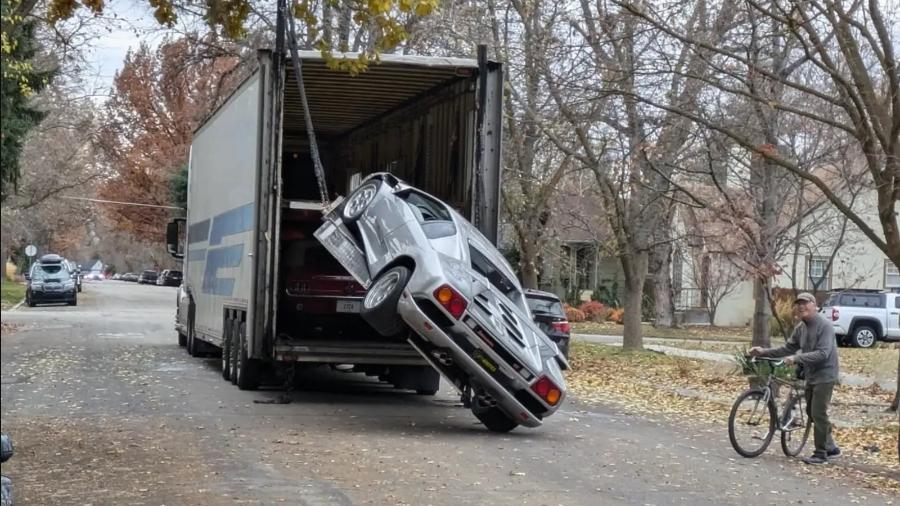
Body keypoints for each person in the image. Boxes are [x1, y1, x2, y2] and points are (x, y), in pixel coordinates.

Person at [749, 292, 841, 465]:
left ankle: (821, 454)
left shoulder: (825, 326)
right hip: (811, 374)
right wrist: (764, 351)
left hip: (826, 374)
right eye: (798, 304)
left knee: (818, 413)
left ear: (815, 305)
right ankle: (831, 447)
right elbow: (788, 348)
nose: (801, 307)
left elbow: (823, 353)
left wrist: (797, 359)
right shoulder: (801, 328)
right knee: (811, 412)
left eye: (805, 303)